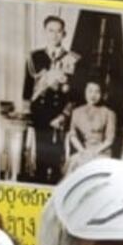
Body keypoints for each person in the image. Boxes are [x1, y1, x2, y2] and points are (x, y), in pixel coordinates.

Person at [22, 15, 82, 184]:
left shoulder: (73, 59)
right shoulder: (34, 57)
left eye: (58, 31)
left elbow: (75, 93)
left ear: (64, 34)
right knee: (38, 159)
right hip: (39, 114)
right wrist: (28, 115)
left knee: (57, 159)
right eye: (51, 31)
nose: (54, 35)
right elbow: (27, 89)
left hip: (60, 115)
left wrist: (64, 115)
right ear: (44, 32)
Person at [66, 78, 117, 173]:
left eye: (97, 92)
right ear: (85, 92)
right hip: (83, 151)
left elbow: (109, 140)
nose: (93, 95)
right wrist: (82, 151)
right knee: (75, 167)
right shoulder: (76, 112)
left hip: (102, 152)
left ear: (102, 94)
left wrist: (94, 152)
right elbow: (72, 135)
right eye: (90, 91)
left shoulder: (109, 113)